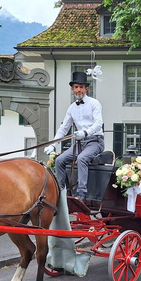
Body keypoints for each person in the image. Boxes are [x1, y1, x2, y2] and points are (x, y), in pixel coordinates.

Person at [43, 71, 104, 202]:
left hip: (95, 142)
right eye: (76, 87)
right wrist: (53, 144)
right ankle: (61, 191)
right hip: (80, 144)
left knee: (81, 159)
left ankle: (81, 193)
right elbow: (64, 128)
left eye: (81, 87)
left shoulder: (94, 103)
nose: (78, 90)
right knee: (59, 160)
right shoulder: (71, 108)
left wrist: (86, 132)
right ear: (72, 89)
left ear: (86, 88)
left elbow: (99, 124)